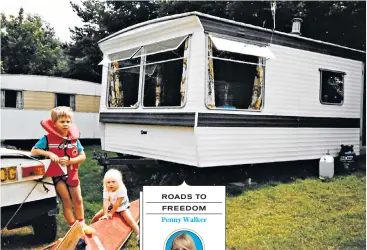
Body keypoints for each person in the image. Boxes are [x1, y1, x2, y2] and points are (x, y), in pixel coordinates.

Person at [31, 106, 94, 234]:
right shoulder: (47, 139)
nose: (65, 124)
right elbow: (34, 151)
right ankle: (73, 227)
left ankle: (82, 224)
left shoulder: (74, 140)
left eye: (68, 121)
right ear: (54, 124)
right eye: (62, 121)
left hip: (72, 173)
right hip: (57, 176)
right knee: (66, 201)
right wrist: (49, 154)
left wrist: (71, 161)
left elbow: (83, 156)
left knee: (78, 199)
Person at [91, 169, 140, 242]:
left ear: (119, 182)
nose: (111, 184)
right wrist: (105, 214)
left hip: (122, 207)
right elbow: (105, 201)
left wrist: (110, 213)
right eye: (108, 182)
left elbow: (117, 204)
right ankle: (90, 228)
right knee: (96, 216)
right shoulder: (106, 188)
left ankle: (139, 235)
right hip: (111, 205)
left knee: (130, 221)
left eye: (113, 182)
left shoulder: (122, 189)